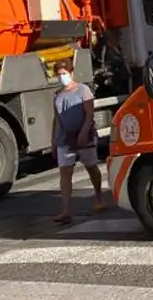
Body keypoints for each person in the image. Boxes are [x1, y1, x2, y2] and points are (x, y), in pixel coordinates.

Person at [51, 59, 106, 224]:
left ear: (71, 73)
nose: (62, 77)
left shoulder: (83, 90)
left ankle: (99, 196)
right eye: (59, 75)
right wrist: (53, 141)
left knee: (91, 167)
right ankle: (66, 210)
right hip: (64, 138)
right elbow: (56, 119)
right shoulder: (57, 95)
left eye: (64, 74)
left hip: (84, 135)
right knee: (65, 173)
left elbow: (89, 114)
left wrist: (83, 132)